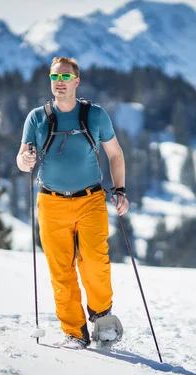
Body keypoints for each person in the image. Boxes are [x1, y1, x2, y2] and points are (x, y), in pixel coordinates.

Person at [17, 57, 129, 348]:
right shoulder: (37, 118)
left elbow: (115, 155)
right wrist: (25, 159)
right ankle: (74, 333)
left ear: (77, 81)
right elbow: (22, 158)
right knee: (61, 270)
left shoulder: (96, 115)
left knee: (95, 263)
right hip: (51, 203)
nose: (60, 82)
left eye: (66, 77)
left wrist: (120, 190)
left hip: (90, 199)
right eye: (55, 77)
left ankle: (103, 321)